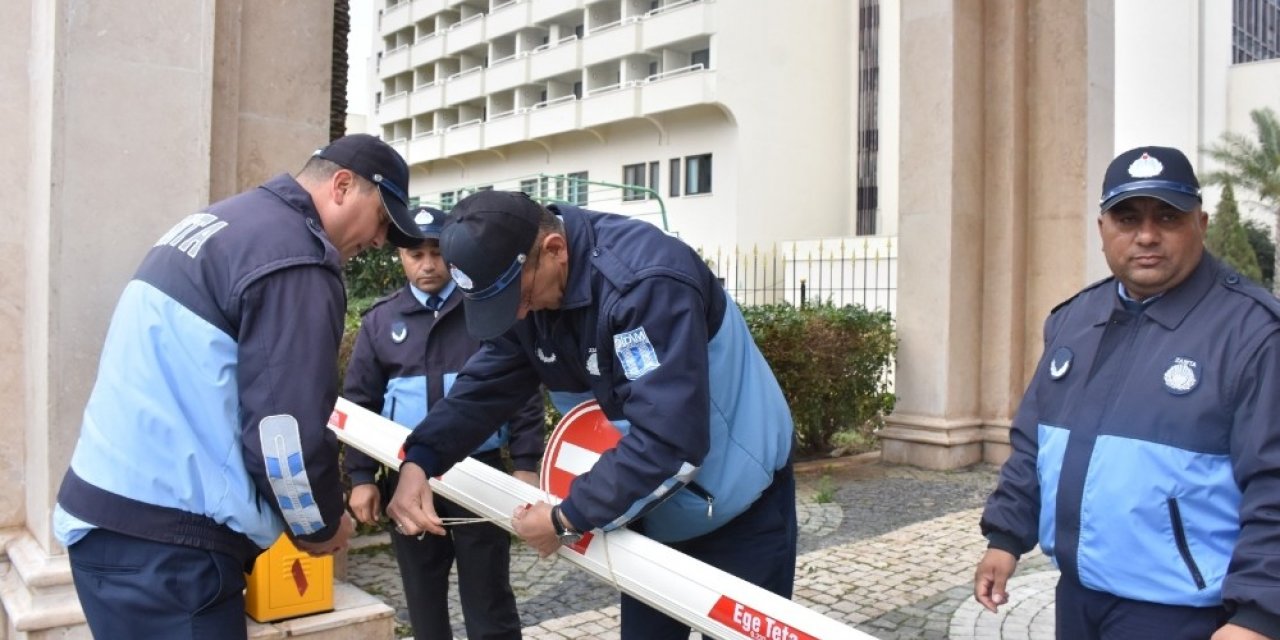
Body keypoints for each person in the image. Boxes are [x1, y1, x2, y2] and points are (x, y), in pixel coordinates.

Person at [53, 134, 425, 639]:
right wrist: (320, 524)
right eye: (383, 221)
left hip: (106, 524)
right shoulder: (297, 259)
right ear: (341, 186)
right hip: (170, 552)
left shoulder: (218, 224)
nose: (380, 241)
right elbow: (282, 435)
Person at [383, 190, 796, 639]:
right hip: (648, 513)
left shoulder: (645, 282)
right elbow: (485, 386)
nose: (517, 314)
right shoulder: (524, 284)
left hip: (742, 505)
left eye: (517, 298)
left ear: (555, 251)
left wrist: (566, 518)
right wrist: (420, 458)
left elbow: (669, 437)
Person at [974, 146, 1280, 640]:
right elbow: (1034, 442)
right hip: (1078, 597)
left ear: (1200, 223)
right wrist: (1006, 537)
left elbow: (1275, 482)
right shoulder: (1074, 319)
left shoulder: (1253, 332)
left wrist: (1260, 615)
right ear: (1102, 231)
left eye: (1168, 216)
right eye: (1127, 217)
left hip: (1180, 614)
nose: (1146, 235)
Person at [342, 206, 544, 640]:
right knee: (422, 593)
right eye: (416, 254)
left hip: (479, 471)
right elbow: (360, 403)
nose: (428, 264)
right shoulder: (381, 321)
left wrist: (526, 463)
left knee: (489, 592)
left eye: (437, 253)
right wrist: (361, 476)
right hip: (407, 477)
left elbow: (522, 390)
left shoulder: (484, 310)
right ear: (400, 256)